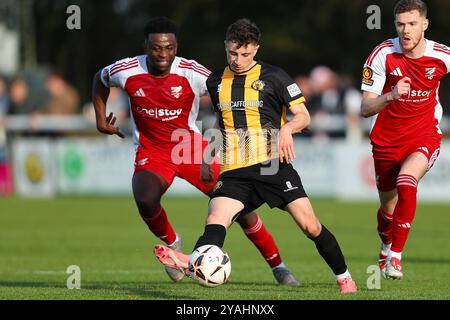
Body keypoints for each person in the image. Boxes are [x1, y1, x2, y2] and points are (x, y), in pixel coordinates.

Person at [91, 16, 299, 286]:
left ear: (176, 47)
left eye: (169, 48)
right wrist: (99, 118)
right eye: (156, 48)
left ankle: (278, 266)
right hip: (152, 151)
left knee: (241, 206)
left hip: (190, 147)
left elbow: (225, 100)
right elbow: (100, 78)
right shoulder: (127, 70)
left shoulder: (192, 72)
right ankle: (174, 245)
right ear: (146, 46)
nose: (163, 54)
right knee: (144, 197)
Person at [154, 18, 357, 293]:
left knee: (310, 226)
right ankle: (192, 260)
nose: (238, 60)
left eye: (245, 54)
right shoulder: (215, 81)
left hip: (272, 165)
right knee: (216, 220)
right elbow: (221, 122)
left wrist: (287, 128)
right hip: (234, 169)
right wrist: (206, 157)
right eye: (233, 53)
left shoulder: (275, 76)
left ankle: (344, 277)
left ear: (256, 50)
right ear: (226, 47)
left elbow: (304, 117)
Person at [360, 0, 449, 279]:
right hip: (387, 140)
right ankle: (386, 244)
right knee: (387, 209)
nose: (405, 30)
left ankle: (395, 258)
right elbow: (365, 108)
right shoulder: (382, 54)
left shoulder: (442, 55)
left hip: (424, 134)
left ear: (424, 24)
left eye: (412, 24)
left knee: (407, 181)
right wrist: (391, 95)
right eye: (400, 24)